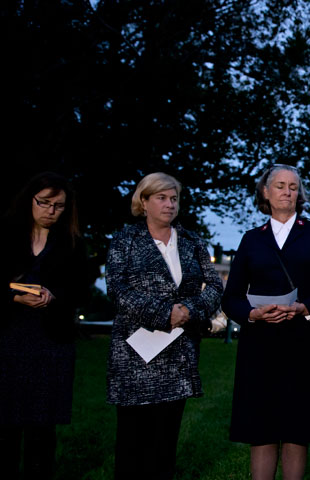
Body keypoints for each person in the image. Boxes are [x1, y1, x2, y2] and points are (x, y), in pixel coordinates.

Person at [221, 165, 310, 480]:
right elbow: (231, 296)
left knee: (296, 430)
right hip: (259, 345)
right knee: (260, 430)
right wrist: (252, 313)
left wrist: (306, 307)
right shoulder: (250, 240)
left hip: (304, 342)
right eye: (280, 186)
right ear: (265, 192)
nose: (287, 191)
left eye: (293, 186)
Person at [106, 172, 223, 480]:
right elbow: (117, 290)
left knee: (164, 448)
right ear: (143, 202)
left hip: (178, 355)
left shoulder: (193, 241)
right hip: (135, 357)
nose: (169, 204)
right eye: (161, 198)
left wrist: (187, 310)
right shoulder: (124, 242)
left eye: (174, 198)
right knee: (131, 448)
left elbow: (213, 286)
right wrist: (164, 313)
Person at [0, 172, 89, 479]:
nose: (51, 210)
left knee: (42, 430)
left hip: (51, 344)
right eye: (45, 202)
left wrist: (54, 297)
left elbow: (82, 291)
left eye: (59, 206)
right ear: (30, 200)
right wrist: (13, 297)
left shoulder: (74, 245)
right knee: (5, 427)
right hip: (8, 341)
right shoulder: (5, 236)